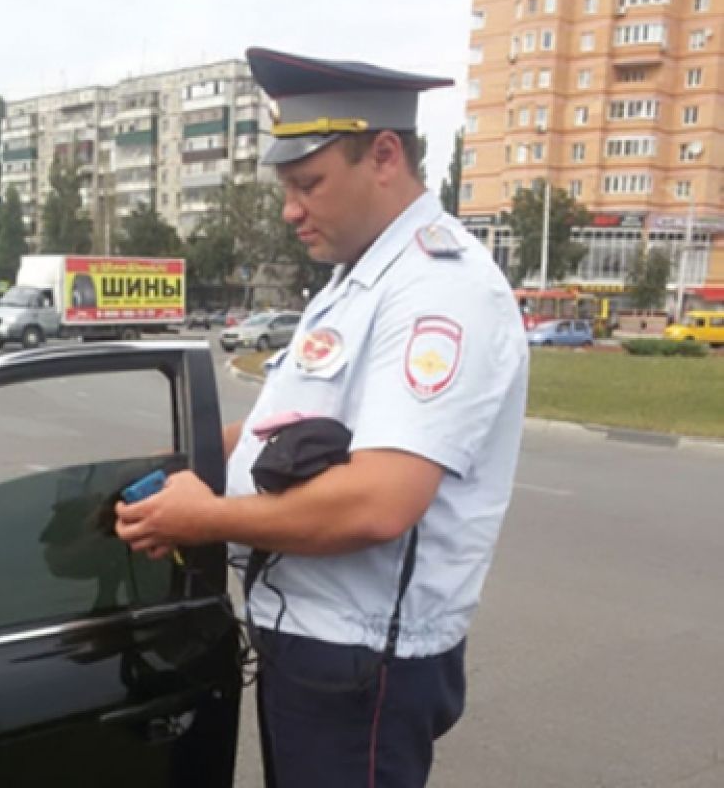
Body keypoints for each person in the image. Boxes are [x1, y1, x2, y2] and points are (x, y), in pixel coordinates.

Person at [115, 47, 528, 788]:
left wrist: (206, 518)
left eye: (308, 183)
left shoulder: (439, 292)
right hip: (308, 639)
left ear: (385, 155)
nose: (290, 209)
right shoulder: (358, 280)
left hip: (362, 659)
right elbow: (285, 426)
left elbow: (380, 501)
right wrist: (180, 463)